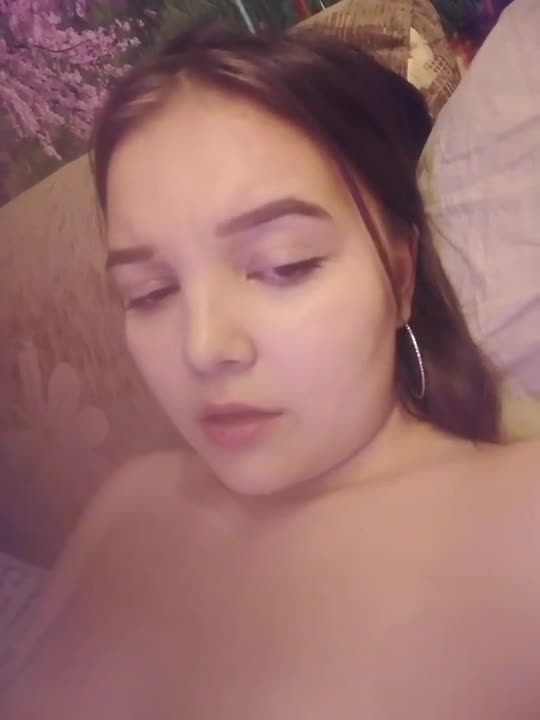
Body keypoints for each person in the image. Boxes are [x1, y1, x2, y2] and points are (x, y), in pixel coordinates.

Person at [2, 23, 540, 720]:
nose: (203, 348)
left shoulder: (521, 520)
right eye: (150, 293)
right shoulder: (128, 503)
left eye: (284, 266)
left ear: (400, 276)